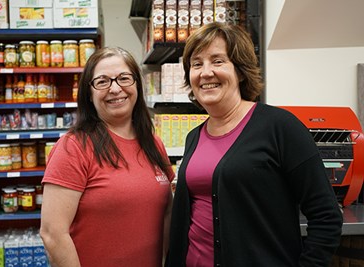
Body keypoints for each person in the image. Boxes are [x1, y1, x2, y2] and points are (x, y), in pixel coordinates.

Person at [166, 22, 343, 267]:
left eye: (218, 61)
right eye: (197, 64)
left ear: (239, 71)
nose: (205, 72)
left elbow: (326, 215)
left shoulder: (279, 127)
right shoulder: (194, 137)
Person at [40, 47, 175, 267]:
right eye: (102, 82)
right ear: (89, 95)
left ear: (137, 86)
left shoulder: (153, 143)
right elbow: (52, 234)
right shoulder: (73, 147)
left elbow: (167, 211)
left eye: (124, 78)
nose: (115, 88)